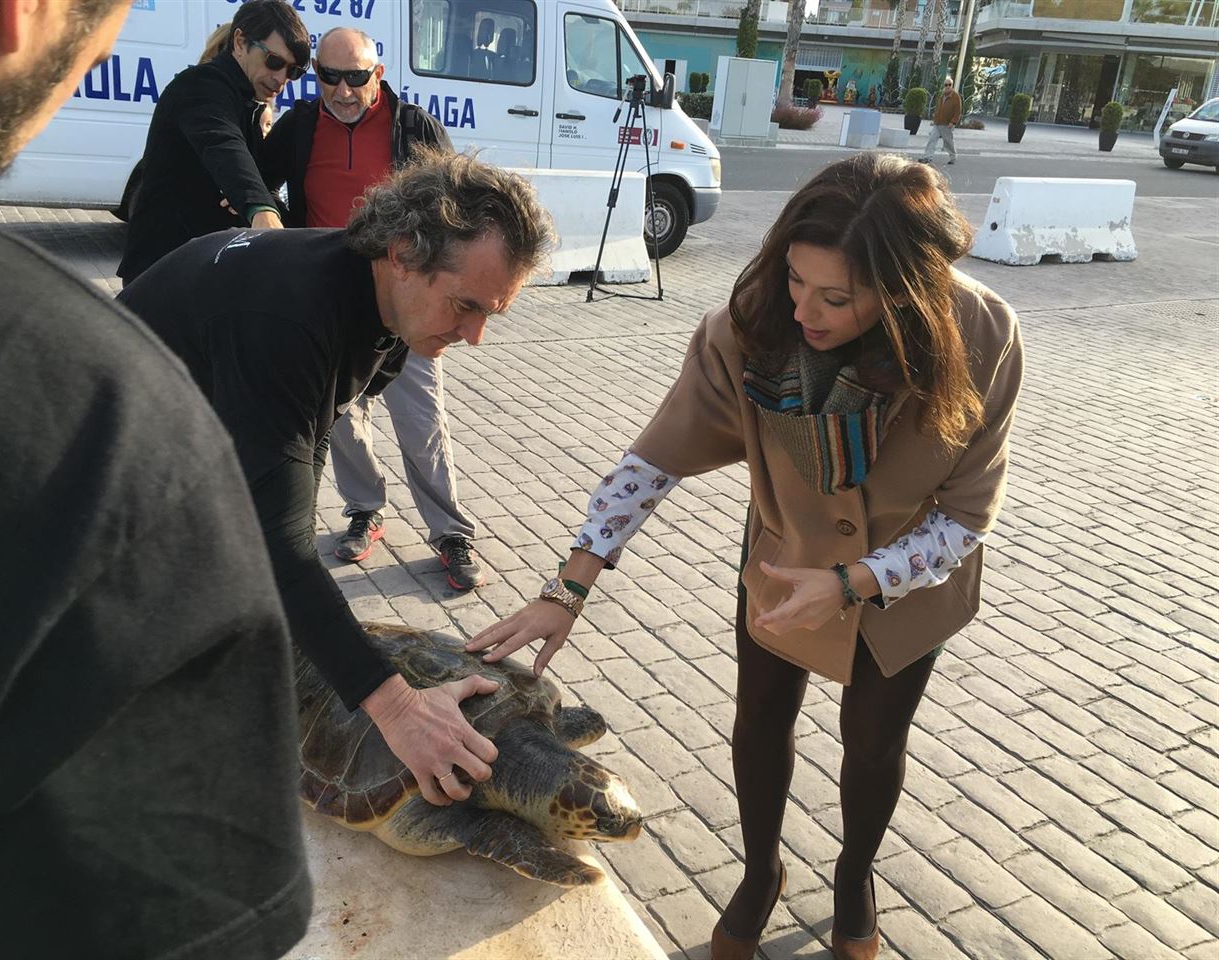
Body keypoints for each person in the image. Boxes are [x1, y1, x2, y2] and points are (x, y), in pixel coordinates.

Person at [469, 153, 1024, 960]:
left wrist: (856, 580)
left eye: (836, 297)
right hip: (781, 556)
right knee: (760, 718)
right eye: (798, 278)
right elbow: (652, 462)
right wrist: (569, 584)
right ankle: (760, 872)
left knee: (875, 742)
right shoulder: (751, 326)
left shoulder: (982, 334)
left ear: (907, 288)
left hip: (909, 584)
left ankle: (855, 874)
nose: (806, 309)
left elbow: (968, 516)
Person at [0, 1, 313, 956]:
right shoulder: (88, 424)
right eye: (274, 64)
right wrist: (272, 222)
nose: (280, 81)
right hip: (168, 285)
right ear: (19, 13)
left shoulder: (260, 99)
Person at [118, 150, 554, 807]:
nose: (476, 337)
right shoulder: (292, 316)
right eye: (465, 306)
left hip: (181, 439)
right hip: (86, 469)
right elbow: (283, 549)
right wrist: (398, 708)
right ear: (403, 251)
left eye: (492, 313)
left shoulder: (383, 305)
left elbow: (306, 442)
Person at [262, 27, 485, 589]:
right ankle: (365, 509)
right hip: (330, 292)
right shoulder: (299, 127)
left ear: (377, 75)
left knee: (420, 417)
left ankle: (450, 532)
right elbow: (257, 180)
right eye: (329, 77)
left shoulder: (414, 128)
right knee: (339, 416)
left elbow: (455, 206)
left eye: (356, 77)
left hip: (407, 296)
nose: (342, 90)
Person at [117, 0, 309, 283]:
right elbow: (224, 146)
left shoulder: (247, 103)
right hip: (160, 273)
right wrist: (260, 210)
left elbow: (254, 172)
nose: (281, 79)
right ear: (240, 42)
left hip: (198, 272)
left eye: (293, 71)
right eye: (275, 61)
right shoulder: (200, 87)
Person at [919, 77, 962, 166]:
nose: (947, 86)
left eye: (949, 84)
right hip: (938, 123)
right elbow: (938, 109)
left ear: (952, 86)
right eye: (946, 84)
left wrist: (953, 122)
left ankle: (953, 157)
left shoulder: (955, 97)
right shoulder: (941, 96)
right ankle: (927, 157)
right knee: (932, 140)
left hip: (947, 124)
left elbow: (958, 111)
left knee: (948, 142)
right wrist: (934, 120)